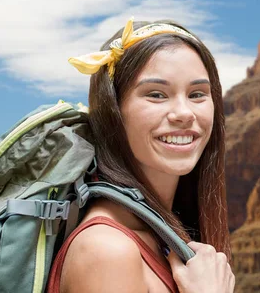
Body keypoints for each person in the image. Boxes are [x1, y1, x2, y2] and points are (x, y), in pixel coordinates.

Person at [46, 18, 235, 293]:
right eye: (156, 94)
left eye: (197, 94)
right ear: (114, 111)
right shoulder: (107, 250)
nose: (184, 113)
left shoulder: (160, 234)